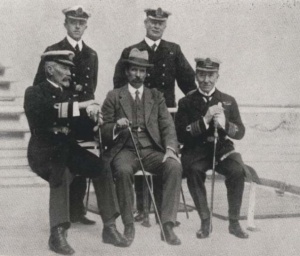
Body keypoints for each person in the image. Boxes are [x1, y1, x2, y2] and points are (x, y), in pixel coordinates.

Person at [24, 50, 129, 255]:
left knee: (101, 168)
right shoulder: (34, 92)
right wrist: (82, 105)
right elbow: (49, 111)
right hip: (43, 150)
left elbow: (79, 128)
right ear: (49, 68)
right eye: (64, 67)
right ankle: (58, 234)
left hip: (67, 148)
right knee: (60, 172)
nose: (69, 73)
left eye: (70, 68)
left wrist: (94, 121)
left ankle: (110, 227)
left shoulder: (70, 95)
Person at [113, 7, 196, 221]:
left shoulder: (173, 50)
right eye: (152, 22)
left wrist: (194, 109)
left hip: (165, 116)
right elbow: (119, 85)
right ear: (146, 23)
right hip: (138, 117)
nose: (156, 26)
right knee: (138, 154)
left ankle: (162, 212)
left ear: (165, 25)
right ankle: (142, 209)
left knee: (162, 157)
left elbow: (189, 85)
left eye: (161, 22)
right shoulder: (131, 50)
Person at [101, 48, 182, 246]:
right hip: (124, 150)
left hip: (151, 150)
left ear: (146, 73)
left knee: (174, 166)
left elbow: (167, 125)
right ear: (127, 71)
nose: (138, 75)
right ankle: (129, 224)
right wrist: (115, 127)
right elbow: (103, 130)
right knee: (122, 170)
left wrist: (171, 149)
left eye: (142, 71)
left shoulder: (156, 96)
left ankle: (167, 225)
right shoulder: (114, 96)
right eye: (135, 70)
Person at [33, 5, 98, 225]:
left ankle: (78, 209)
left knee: (83, 158)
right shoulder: (53, 51)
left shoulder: (92, 55)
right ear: (66, 24)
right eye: (73, 22)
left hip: (83, 115)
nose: (77, 26)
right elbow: (40, 86)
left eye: (81, 22)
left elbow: (90, 88)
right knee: (64, 161)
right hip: (60, 115)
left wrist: (89, 109)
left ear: (86, 25)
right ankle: (66, 213)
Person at [175, 57, 250, 239]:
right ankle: (205, 221)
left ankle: (234, 222)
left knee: (237, 171)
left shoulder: (228, 101)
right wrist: (205, 120)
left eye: (210, 75)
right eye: (201, 75)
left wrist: (225, 124)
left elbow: (240, 132)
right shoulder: (186, 102)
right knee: (193, 170)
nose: (206, 80)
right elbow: (181, 135)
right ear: (196, 76)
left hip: (222, 150)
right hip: (196, 151)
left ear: (218, 76)